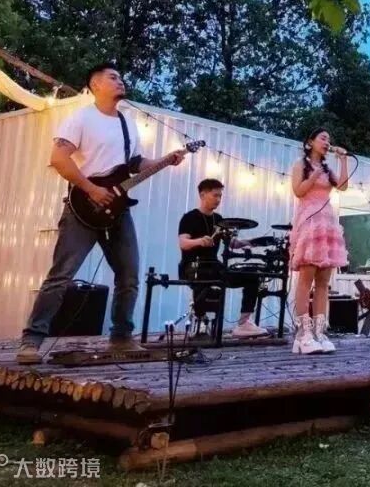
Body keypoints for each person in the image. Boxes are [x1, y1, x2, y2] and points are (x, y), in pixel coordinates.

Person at [17, 63, 186, 364]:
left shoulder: (127, 123)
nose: (120, 81)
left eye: (121, 77)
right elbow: (59, 158)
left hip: (117, 210)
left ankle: (121, 337)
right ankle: (31, 340)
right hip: (83, 207)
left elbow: (134, 164)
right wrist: (91, 189)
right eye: (113, 77)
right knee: (62, 275)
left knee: (129, 275)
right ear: (95, 85)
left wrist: (165, 160)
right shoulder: (81, 118)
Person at [177, 179, 268, 339]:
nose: (218, 199)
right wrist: (199, 241)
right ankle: (201, 320)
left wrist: (249, 242)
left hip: (215, 266)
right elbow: (183, 243)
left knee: (252, 277)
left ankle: (244, 323)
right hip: (194, 266)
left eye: (220, 196)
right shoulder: (190, 217)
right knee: (205, 276)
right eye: (215, 195)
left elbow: (231, 243)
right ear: (202, 195)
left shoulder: (219, 219)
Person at [288, 128, 349, 354]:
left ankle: (320, 332)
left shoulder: (327, 168)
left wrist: (343, 161)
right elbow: (298, 191)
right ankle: (303, 334)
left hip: (328, 222)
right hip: (310, 221)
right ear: (310, 142)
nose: (327, 142)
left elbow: (342, 186)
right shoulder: (300, 165)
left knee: (323, 281)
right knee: (306, 278)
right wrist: (313, 175)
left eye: (329, 139)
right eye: (323, 138)